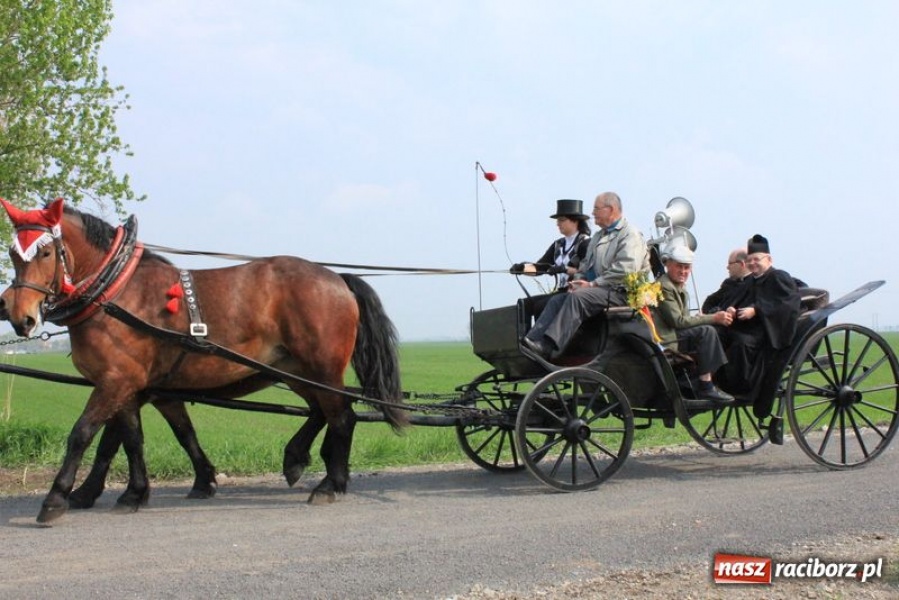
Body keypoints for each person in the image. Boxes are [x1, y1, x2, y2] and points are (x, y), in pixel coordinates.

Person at [522, 191, 650, 359]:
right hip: (600, 291)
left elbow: (625, 269)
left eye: (596, 209)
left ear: (610, 210)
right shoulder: (598, 237)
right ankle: (531, 342)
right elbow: (584, 266)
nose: (592, 213)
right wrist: (576, 282)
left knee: (579, 298)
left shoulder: (629, 234)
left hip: (621, 292)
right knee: (557, 299)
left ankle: (549, 347)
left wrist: (591, 284)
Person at [717, 234, 801, 417]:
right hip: (745, 327)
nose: (753, 263)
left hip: (766, 333)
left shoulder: (779, 277)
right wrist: (731, 309)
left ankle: (741, 386)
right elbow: (738, 300)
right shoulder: (751, 281)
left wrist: (757, 310)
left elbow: (787, 305)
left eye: (757, 259)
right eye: (750, 260)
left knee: (740, 342)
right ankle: (713, 381)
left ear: (768, 259)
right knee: (716, 333)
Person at [653, 246, 734, 405]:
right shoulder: (665, 286)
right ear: (668, 264)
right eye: (679, 266)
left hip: (672, 334)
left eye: (686, 267)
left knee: (712, 330)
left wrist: (701, 318)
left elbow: (681, 319)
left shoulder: (676, 286)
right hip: (666, 340)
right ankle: (706, 384)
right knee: (707, 331)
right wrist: (713, 318)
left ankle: (700, 379)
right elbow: (678, 322)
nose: (683, 271)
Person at [510, 199, 591, 290]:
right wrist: (521, 268)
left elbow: (587, 273)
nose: (557, 224)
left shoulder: (585, 243)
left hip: (577, 293)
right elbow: (541, 267)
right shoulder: (558, 245)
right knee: (525, 303)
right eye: (557, 220)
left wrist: (564, 269)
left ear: (575, 221)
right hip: (561, 291)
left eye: (562, 220)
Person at [701, 248, 751, 315]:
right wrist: (716, 314)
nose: (727, 267)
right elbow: (709, 303)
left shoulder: (755, 285)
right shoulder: (729, 284)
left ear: (741, 264)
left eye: (730, 263)